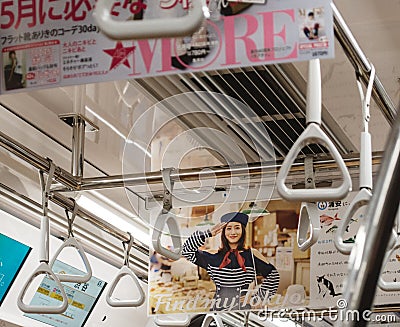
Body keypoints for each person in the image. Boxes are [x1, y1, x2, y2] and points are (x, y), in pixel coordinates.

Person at [182, 212, 280, 311]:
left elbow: (274, 276)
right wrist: (208, 233)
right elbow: (186, 250)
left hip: (242, 312)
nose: (233, 232)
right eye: (229, 228)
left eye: (237, 228)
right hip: (219, 311)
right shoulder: (214, 256)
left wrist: (257, 298)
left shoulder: (251, 255)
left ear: (242, 230)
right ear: (223, 231)